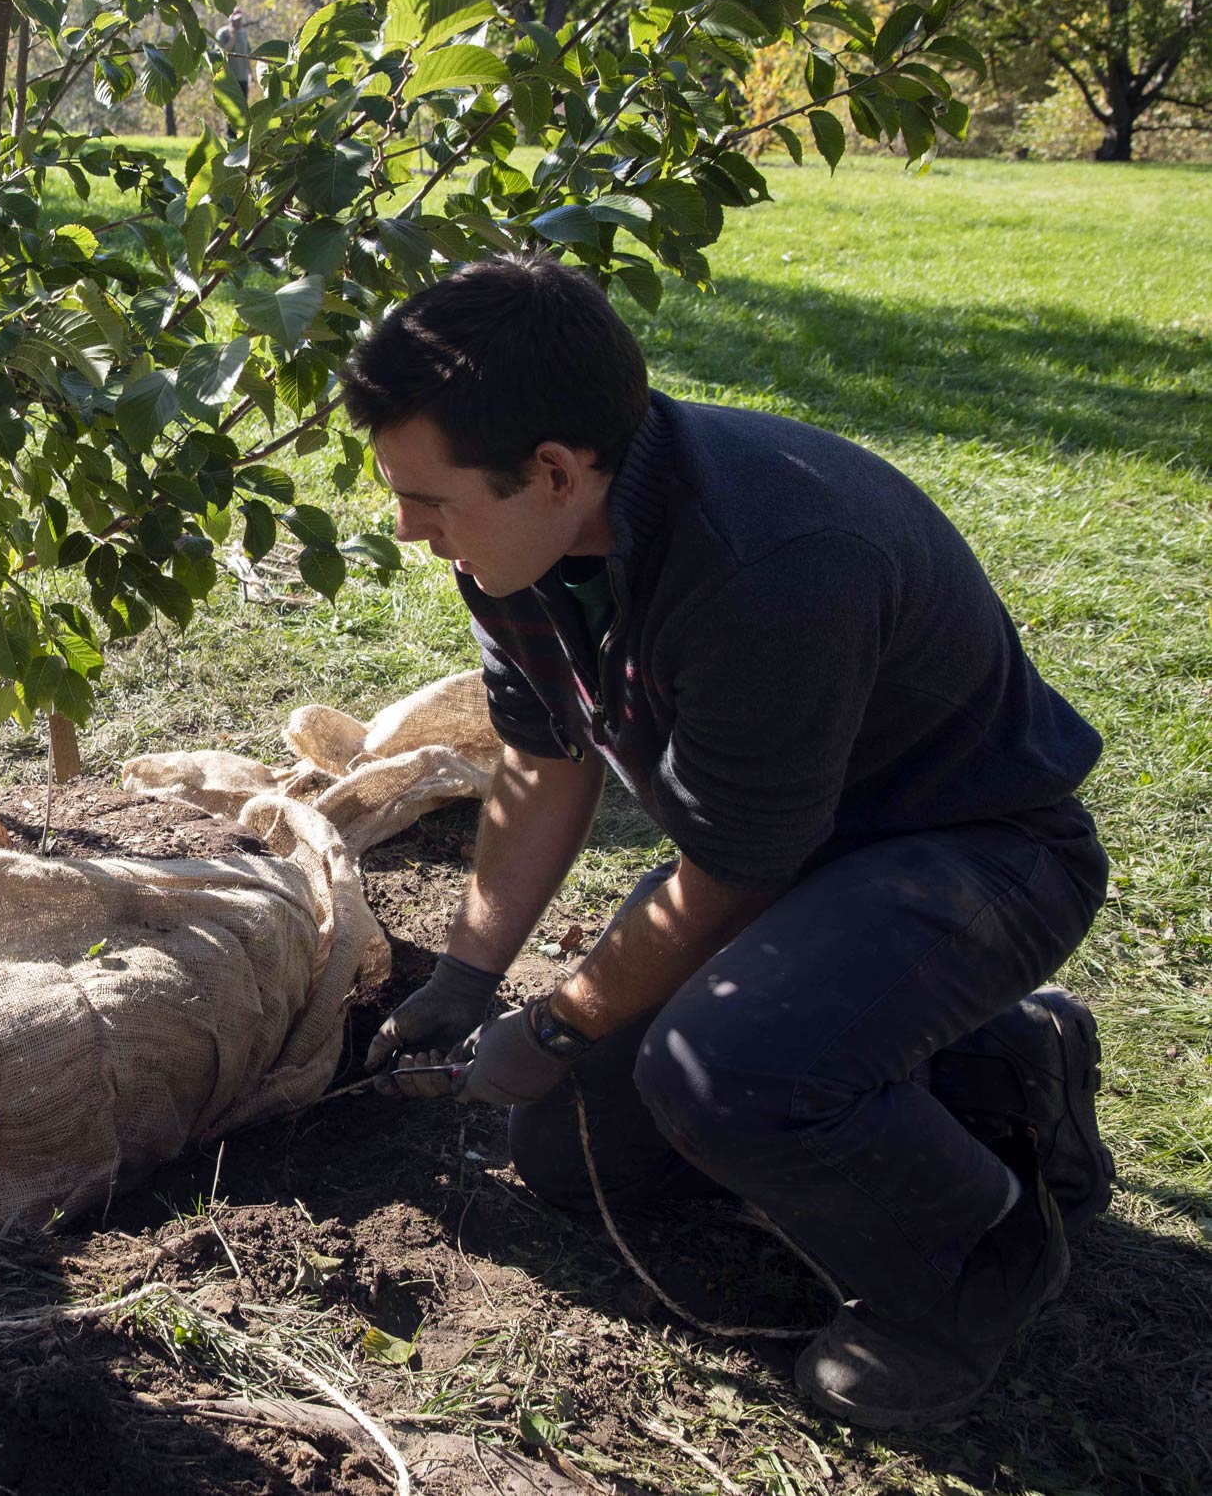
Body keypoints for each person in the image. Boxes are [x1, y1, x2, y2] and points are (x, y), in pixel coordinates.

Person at [338, 255, 1111, 1430]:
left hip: (975, 854)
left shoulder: (771, 561)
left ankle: (977, 1259)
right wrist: (466, 976)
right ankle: (1005, 1069)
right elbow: (545, 758)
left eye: (428, 499)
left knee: (727, 1071)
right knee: (574, 1152)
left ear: (554, 469)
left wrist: (559, 1019)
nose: (406, 528)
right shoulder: (522, 543)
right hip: (794, 856)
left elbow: (736, 873)